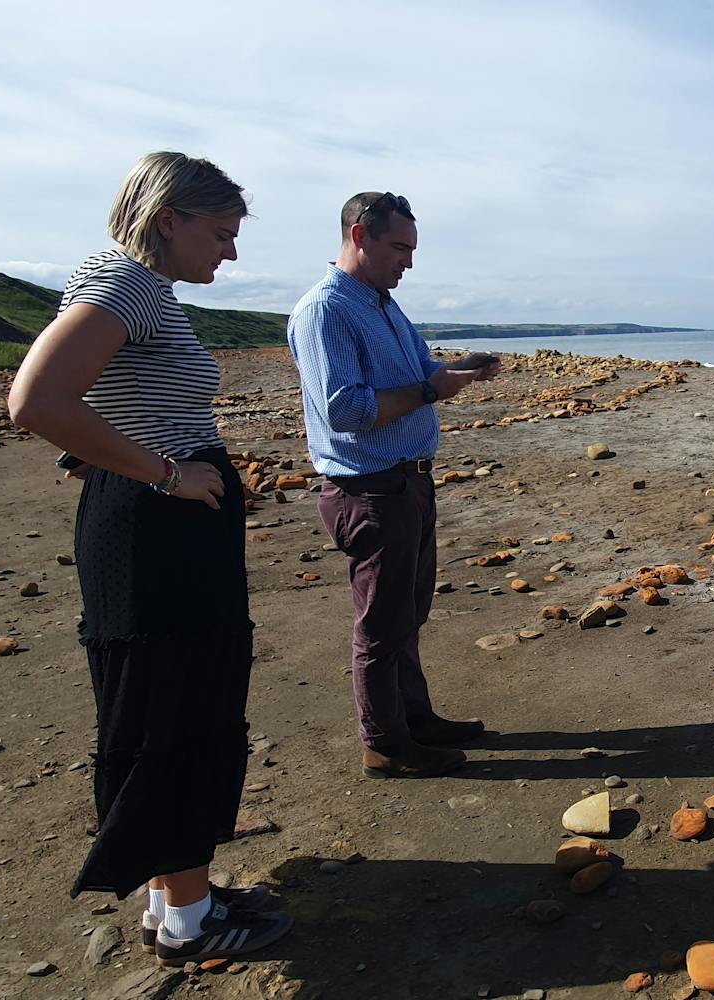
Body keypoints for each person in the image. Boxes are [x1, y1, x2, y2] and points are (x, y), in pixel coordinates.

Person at [7, 151, 292, 965]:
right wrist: (162, 471)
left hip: (152, 524)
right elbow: (34, 401)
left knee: (170, 704)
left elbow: (90, 399)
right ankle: (193, 921)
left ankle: (179, 901)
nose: (229, 253)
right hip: (156, 532)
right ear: (169, 219)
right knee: (180, 708)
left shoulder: (126, 283)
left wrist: (117, 460)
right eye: (221, 233)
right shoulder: (127, 283)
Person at [287, 191, 498, 779]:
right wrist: (433, 392)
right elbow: (346, 411)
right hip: (370, 489)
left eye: (412, 248)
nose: (409, 261)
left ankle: (414, 719)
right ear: (359, 235)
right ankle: (384, 743)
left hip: (406, 484)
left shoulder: (383, 304)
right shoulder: (327, 308)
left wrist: (450, 374)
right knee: (380, 625)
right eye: (399, 247)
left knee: (407, 612)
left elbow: (413, 376)